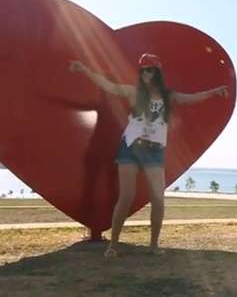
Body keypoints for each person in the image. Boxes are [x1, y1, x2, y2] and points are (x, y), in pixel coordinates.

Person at [69, 53, 228, 257]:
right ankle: (113, 246)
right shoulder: (134, 93)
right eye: (143, 70)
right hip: (131, 146)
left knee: (158, 200)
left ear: (158, 72)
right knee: (126, 197)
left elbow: (192, 98)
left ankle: (153, 245)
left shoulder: (168, 96)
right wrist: (85, 70)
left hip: (154, 150)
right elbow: (109, 86)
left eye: (150, 69)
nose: (146, 74)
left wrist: (215, 91)